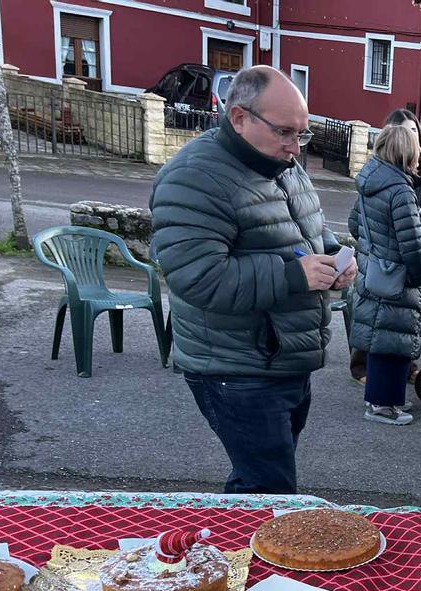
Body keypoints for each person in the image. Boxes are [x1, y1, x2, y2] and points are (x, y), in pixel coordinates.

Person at [150, 65, 356, 494]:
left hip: (283, 359)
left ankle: (229, 559)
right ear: (240, 118)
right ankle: (250, 560)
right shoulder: (193, 176)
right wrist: (292, 276)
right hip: (237, 369)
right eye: (285, 132)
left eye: (302, 134)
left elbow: (311, 232)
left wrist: (336, 258)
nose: (295, 147)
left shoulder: (282, 163)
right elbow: (197, 279)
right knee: (269, 492)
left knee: (256, 483)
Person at [348, 124, 421, 426]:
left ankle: (382, 397)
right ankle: (384, 405)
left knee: (379, 335)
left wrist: (373, 250)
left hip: (374, 271)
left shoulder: (370, 182)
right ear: (407, 153)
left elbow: (354, 224)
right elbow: (412, 243)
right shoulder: (400, 190)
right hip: (397, 274)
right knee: (393, 339)